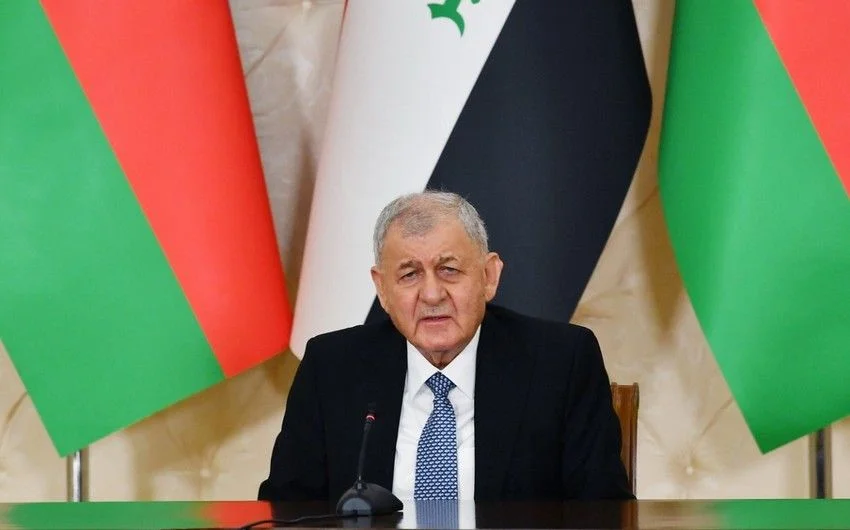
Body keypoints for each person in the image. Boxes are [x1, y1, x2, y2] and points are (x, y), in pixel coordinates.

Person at [258, 191, 632, 502]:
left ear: (489, 276)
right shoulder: (331, 367)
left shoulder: (560, 362)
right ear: (382, 289)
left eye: (449, 270)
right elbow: (286, 509)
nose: (432, 294)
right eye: (409, 274)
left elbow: (602, 512)